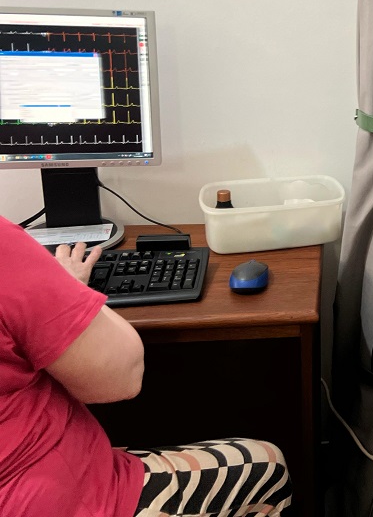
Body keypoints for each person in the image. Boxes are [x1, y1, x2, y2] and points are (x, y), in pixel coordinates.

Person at [0, 215, 293, 516]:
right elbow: (122, 379)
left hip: (41, 470)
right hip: (61, 496)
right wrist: (67, 288)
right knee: (268, 466)